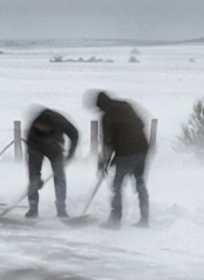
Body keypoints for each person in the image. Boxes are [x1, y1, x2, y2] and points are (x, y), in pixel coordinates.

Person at [88, 89, 150, 227]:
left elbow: (107, 143)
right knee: (140, 182)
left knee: (117, 185)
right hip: (142, 148)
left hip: (126, 153)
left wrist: (103, 163)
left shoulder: (106, 117)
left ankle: (115, 220)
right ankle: (145, 219)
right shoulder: (125, 105)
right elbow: (142, 123)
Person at [22, 105, 79, 218]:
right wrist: (36, 180)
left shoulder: (59, 121)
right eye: (39, 128)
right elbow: (30, 152)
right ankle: (33, 208)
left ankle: (61, 209)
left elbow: (75, 134)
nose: (42, 129)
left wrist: (71, 153)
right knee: (33, 178)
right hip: (36, 148)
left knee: (59, 176)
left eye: (44, 128)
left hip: (55, 148)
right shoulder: (33, 129)